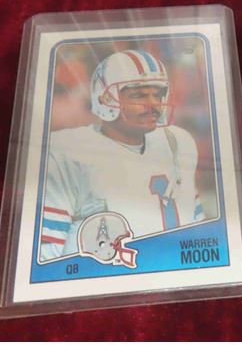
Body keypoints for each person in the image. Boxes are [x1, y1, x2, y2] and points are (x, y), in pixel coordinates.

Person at [40, 49, 206, 261]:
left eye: (157, 93)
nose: (153, 104)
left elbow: (197, 228)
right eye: (138, 95)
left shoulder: (178, 142)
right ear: (105, 98)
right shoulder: (67, 152)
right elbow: (47, 258)